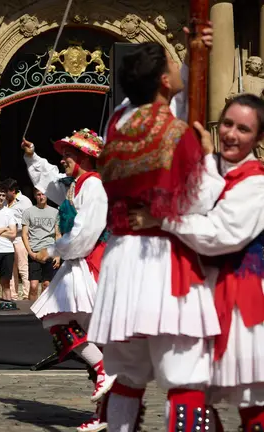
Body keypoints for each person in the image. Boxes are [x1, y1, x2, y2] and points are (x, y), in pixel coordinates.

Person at [87, 41, 227, 432]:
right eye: (173, 64)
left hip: (120, 263)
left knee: (128, 378)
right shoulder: (177, 134)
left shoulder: (116, 130)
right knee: (185, 379)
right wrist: (209, 159)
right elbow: (199, 202)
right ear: (164, 81)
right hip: (164, 263)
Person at [128, 94, 264, 431]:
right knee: (194, 390)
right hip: (204, 294)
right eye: (228, 124)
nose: (232, 134)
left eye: (244, 129)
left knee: (252, 399)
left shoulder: (257, 183)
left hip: (242, 299)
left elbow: (219, 235)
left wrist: (162, 220)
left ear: (259, 138)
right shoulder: (208, 166)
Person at [21, 129, 114, 432]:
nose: (63, 160)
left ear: (85, 157)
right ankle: (104, 392)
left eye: (68, 155)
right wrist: (31, 155)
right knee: (62, 324)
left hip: (92, 263)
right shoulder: (76, 185)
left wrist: (54, 248)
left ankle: (104, 376)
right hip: (81, 263)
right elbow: (50, 183)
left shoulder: (94, 187)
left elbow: (86, 233)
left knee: (65, 322)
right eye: (63, 155)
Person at [21, 186, 59, 301]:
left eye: (43, 194)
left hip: (50, 251)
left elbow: (58, 234)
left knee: (46, 285)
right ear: (35, 196)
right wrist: (30, 252)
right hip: (35, 252)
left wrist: (58, 255)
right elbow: (24, 234)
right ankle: (30, 313)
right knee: (33, 286)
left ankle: (42, 312)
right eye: (38, 194)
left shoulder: (55, 212)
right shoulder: (28, 212)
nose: (41, 197)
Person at [2, 178, 32, 300]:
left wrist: (13, 226)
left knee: (23, 267)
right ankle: (13, 295)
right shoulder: (4, 201)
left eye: (6, 191)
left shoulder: (25, 201)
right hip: (7, 239)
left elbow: (29, 221)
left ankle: (27, 295)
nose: (4, 194)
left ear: (13, 191)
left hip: (20, 238)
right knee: (10, 268)